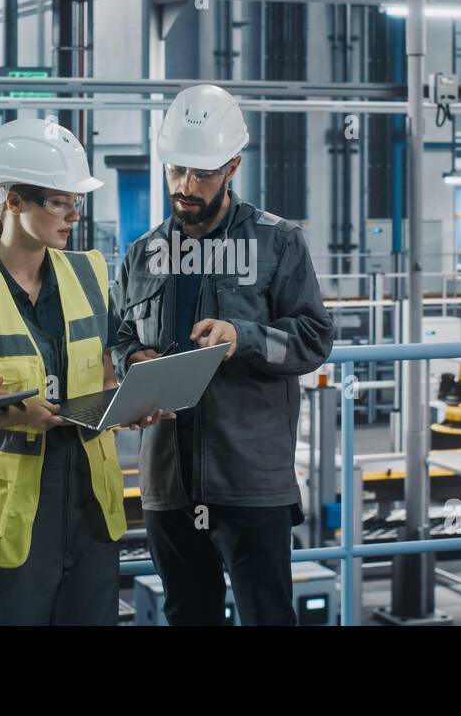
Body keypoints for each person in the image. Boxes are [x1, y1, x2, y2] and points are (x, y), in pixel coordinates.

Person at [0, 117, 166, 625]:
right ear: (12, 201)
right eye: (60, 201)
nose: (74, 214)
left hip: (89, 511)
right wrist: (9, 416)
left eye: (77, 201)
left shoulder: (91, 273)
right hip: (3, 520)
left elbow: (107, 369)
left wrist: (129, 397)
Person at [111, 84, 333, 625]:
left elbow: (313, 338)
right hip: (168, 481)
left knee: (268, 616)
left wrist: (244, 338)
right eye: (176, 171)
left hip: (250, 479)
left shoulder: (278, 243)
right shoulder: (141, 256)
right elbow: (117, 335)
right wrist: (131, 360)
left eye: (203, 173)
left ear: (232, 165)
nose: (186, 186)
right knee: (189, 615)